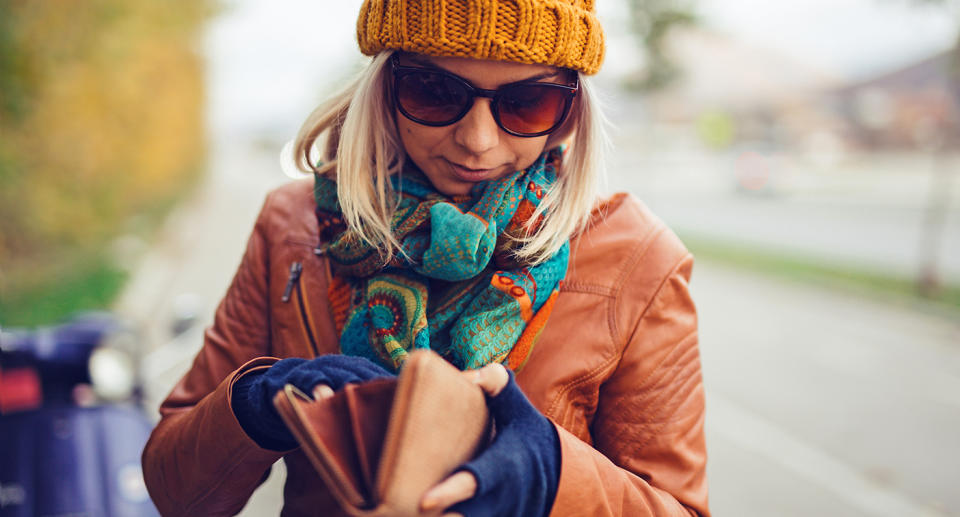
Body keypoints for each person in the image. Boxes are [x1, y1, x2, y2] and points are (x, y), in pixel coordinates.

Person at [141, 0, 710, 515]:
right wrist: (253, 404)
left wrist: (554, 477)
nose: (477, 140)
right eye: (435, 93)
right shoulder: (291, 226)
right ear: (385, 85)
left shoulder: (639, 260)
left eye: (526, 102)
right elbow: (174, 488)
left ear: (570, 110)